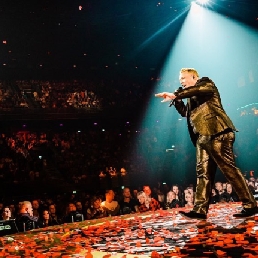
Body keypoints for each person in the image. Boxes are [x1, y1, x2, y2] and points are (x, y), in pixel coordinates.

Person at [155, 68, 257, 219]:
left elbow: (198, 90)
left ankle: (250, 205)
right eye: (180, 79)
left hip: (217, 133)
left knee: (229, 170)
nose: (181, 81)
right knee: (202, 173)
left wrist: (176, 94)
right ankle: (200, 210)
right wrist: (176, 100)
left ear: (194, 77)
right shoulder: (190, 96)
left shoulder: (206, 83)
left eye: (184, 78)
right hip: (202, 137)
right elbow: (186, 113)